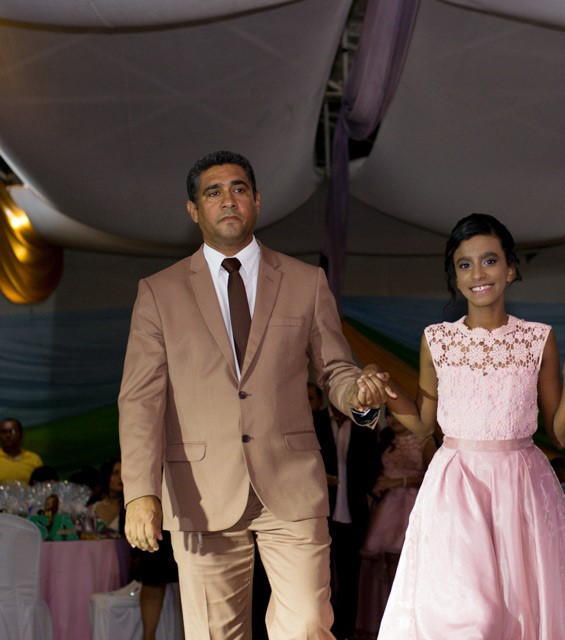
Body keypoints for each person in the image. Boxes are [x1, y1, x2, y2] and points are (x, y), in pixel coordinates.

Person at [118, 150, 394, 639]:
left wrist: (359, 395)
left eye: (239, 188)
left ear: (258, 201)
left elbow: (335, 370)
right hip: (200, 490)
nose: (228, 199)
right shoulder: (159, 292)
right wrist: (140, 491)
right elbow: (141, 399)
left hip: (291, 482)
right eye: (214, 192)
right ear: (193, 210)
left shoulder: (305, 281)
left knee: (308, 625)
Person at [377, 213, 565, 638]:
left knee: (521, 611)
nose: (478, 274)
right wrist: (387, 390)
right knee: (470, 616)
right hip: (455, 486)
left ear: (511, 269)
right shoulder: (437, 339)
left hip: (522, 489)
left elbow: (560, 435)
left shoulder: (538, 338)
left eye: (489, 260)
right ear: (455, 276)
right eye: (465, 265)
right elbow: (425, 425)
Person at [353, 412, 436, 640]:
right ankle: (393, 617)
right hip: (388, 505)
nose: (393, 420)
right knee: (389, 559)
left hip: (412, 503)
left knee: (407, 559)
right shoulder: (385, 439)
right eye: (389, 416)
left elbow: (433, 475)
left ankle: (412, 619)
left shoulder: (425, 441)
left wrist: (399, 482)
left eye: (398, 415)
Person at [316, 401, 379, 640]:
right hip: (322, 510)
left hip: (354, 511)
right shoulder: (315, 420)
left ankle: (346, 632)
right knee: (321, 575)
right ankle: (324, 628)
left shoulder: (363, 424)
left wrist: (365, 487)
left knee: (350, 574)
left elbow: (373, 463)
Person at [0, 417, 44, 484]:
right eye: (4, 432)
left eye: (12, 431)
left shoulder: (34, 459)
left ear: (21, 435)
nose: (8, 435)